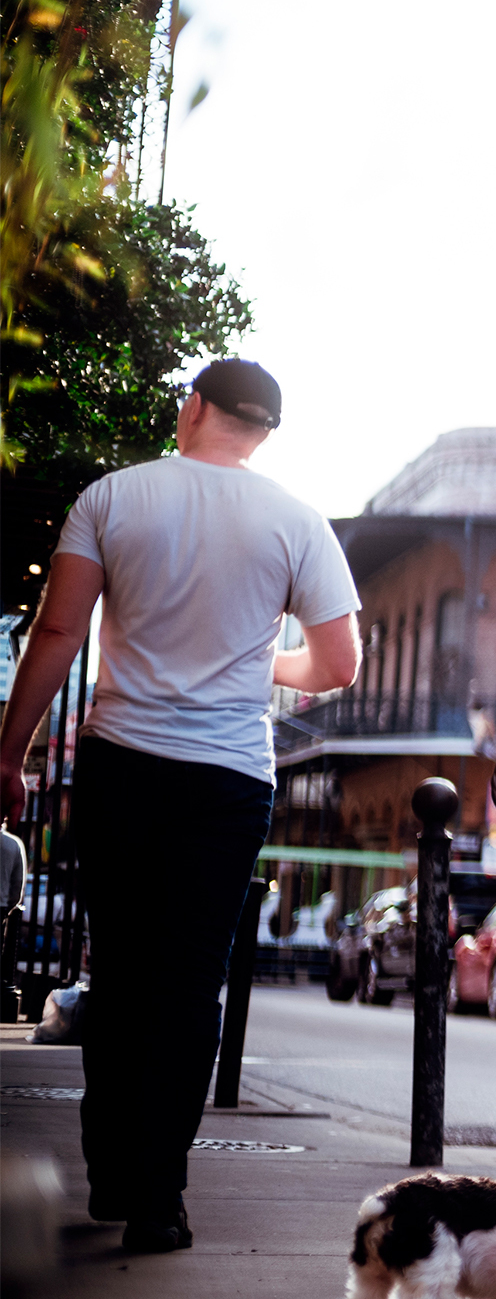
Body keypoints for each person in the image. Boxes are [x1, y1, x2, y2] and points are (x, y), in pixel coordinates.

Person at [0, 361, 360, 1251]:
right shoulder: (297, 522)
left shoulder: (113, 498)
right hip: (230, 781)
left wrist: (10, 751)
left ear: (191, 408)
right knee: (189, 983)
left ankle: (113, 1178)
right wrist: (262, 662)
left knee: (118, 970)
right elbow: (338, 665)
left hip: (122, 765)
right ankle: (161, 1198)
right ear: (265, 431)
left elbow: (58, 630)